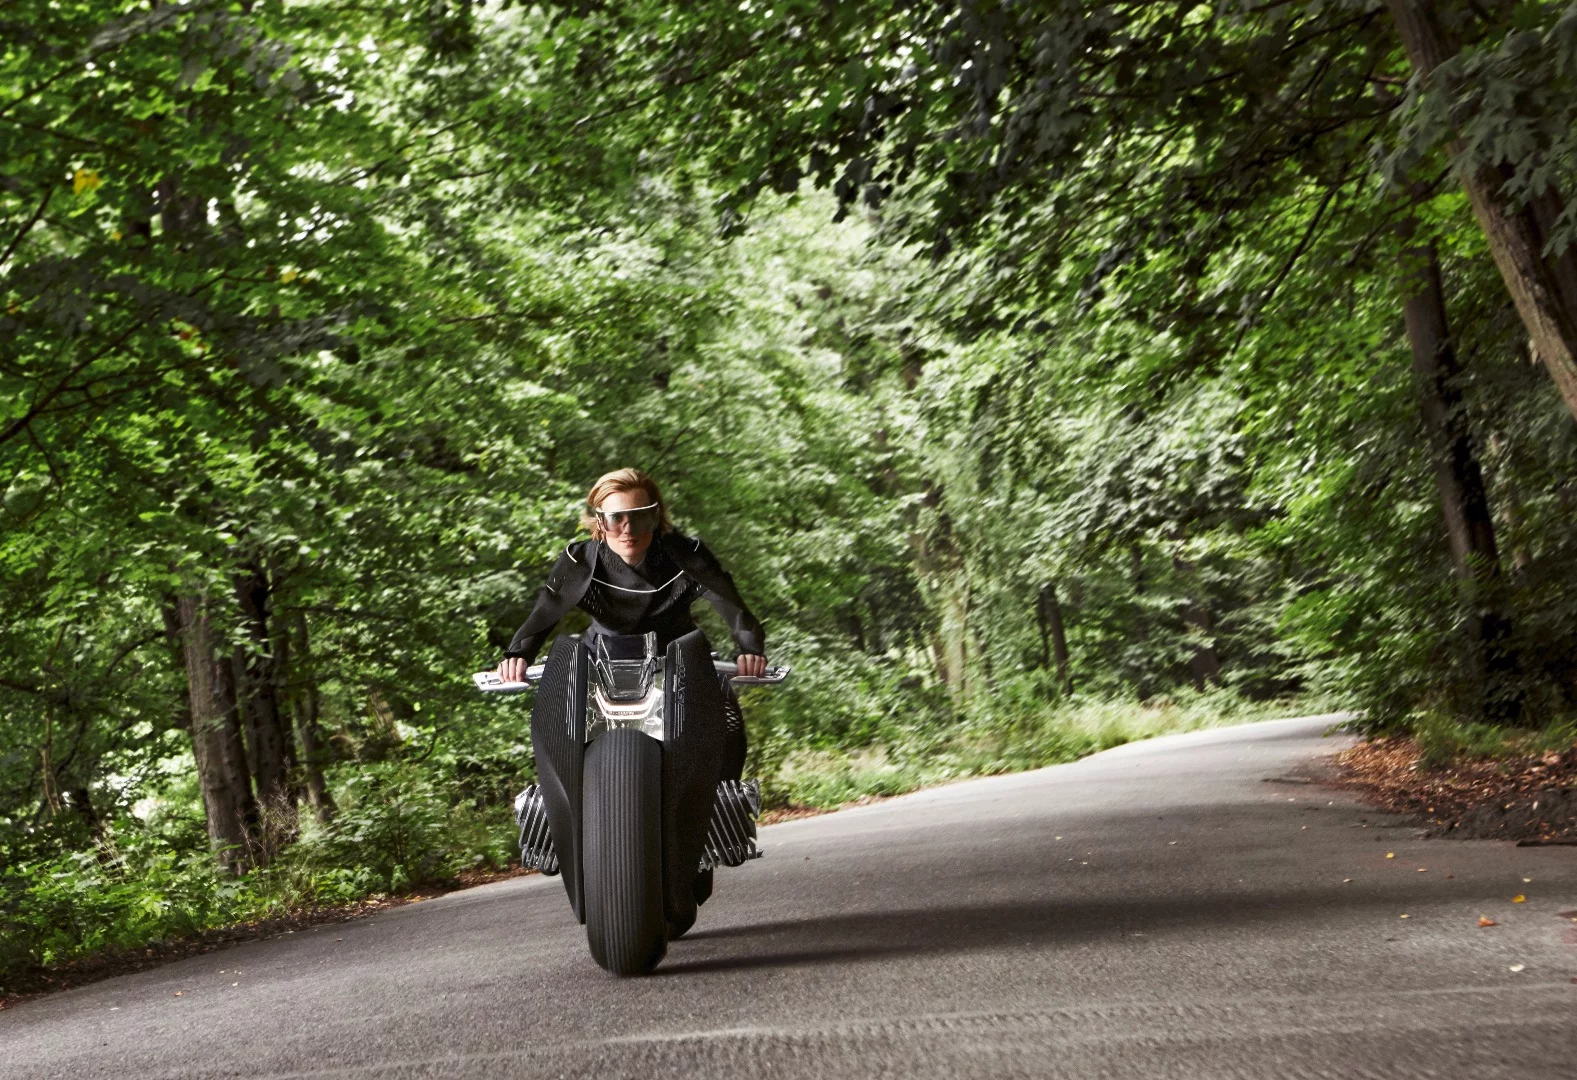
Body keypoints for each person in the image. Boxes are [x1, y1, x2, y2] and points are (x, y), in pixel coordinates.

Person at [497, 468, 767, 779]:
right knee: (552, 729)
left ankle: (725, 805)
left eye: (639, 516)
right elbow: (544, 613)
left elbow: (732, 606)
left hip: (680, 661)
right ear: (600, 521)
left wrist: (749, 650)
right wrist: (516, 656)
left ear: (655, 517)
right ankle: (550, 813)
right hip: (598, 665)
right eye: (616, 518)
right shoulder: (579, 559)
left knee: (728, 725)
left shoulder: (688, 554)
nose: (628, 529)